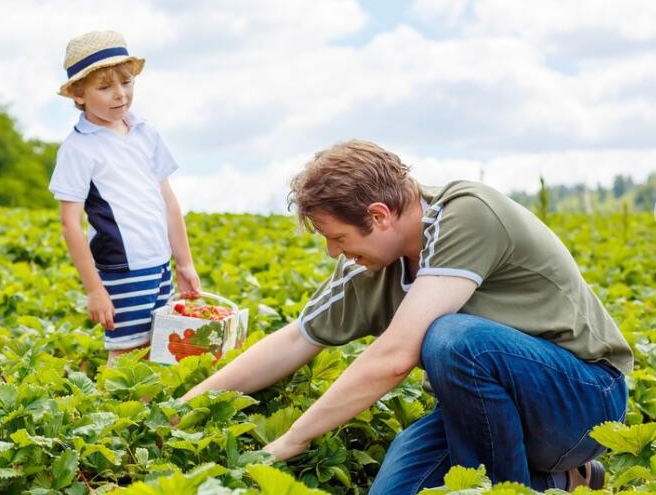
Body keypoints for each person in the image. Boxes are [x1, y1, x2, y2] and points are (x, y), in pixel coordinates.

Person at [182, 140, 629, 493]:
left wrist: (295, 437)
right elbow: (296, 339)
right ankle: (558, 483)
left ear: (378, 216)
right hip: (478, 417)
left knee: (452, 338)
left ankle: (503, 491)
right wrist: (182, 410)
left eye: (336, 236)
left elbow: (396, 355)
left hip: (583, 401)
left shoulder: (467, 213)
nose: (332, 251)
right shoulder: (369, 266)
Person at [49, 30, 201, 365]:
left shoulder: (145, 132)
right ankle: (118, 412)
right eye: (104, 87)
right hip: (121, 268)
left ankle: (158, 415)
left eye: (126, 83)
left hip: (159, 262)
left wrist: (184, 262)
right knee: (127, 352)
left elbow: (169, 202)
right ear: (78, 94)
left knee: (163, 348)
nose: (120, 95)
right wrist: (94, 289)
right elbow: (69, 224)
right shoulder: (79, 148)